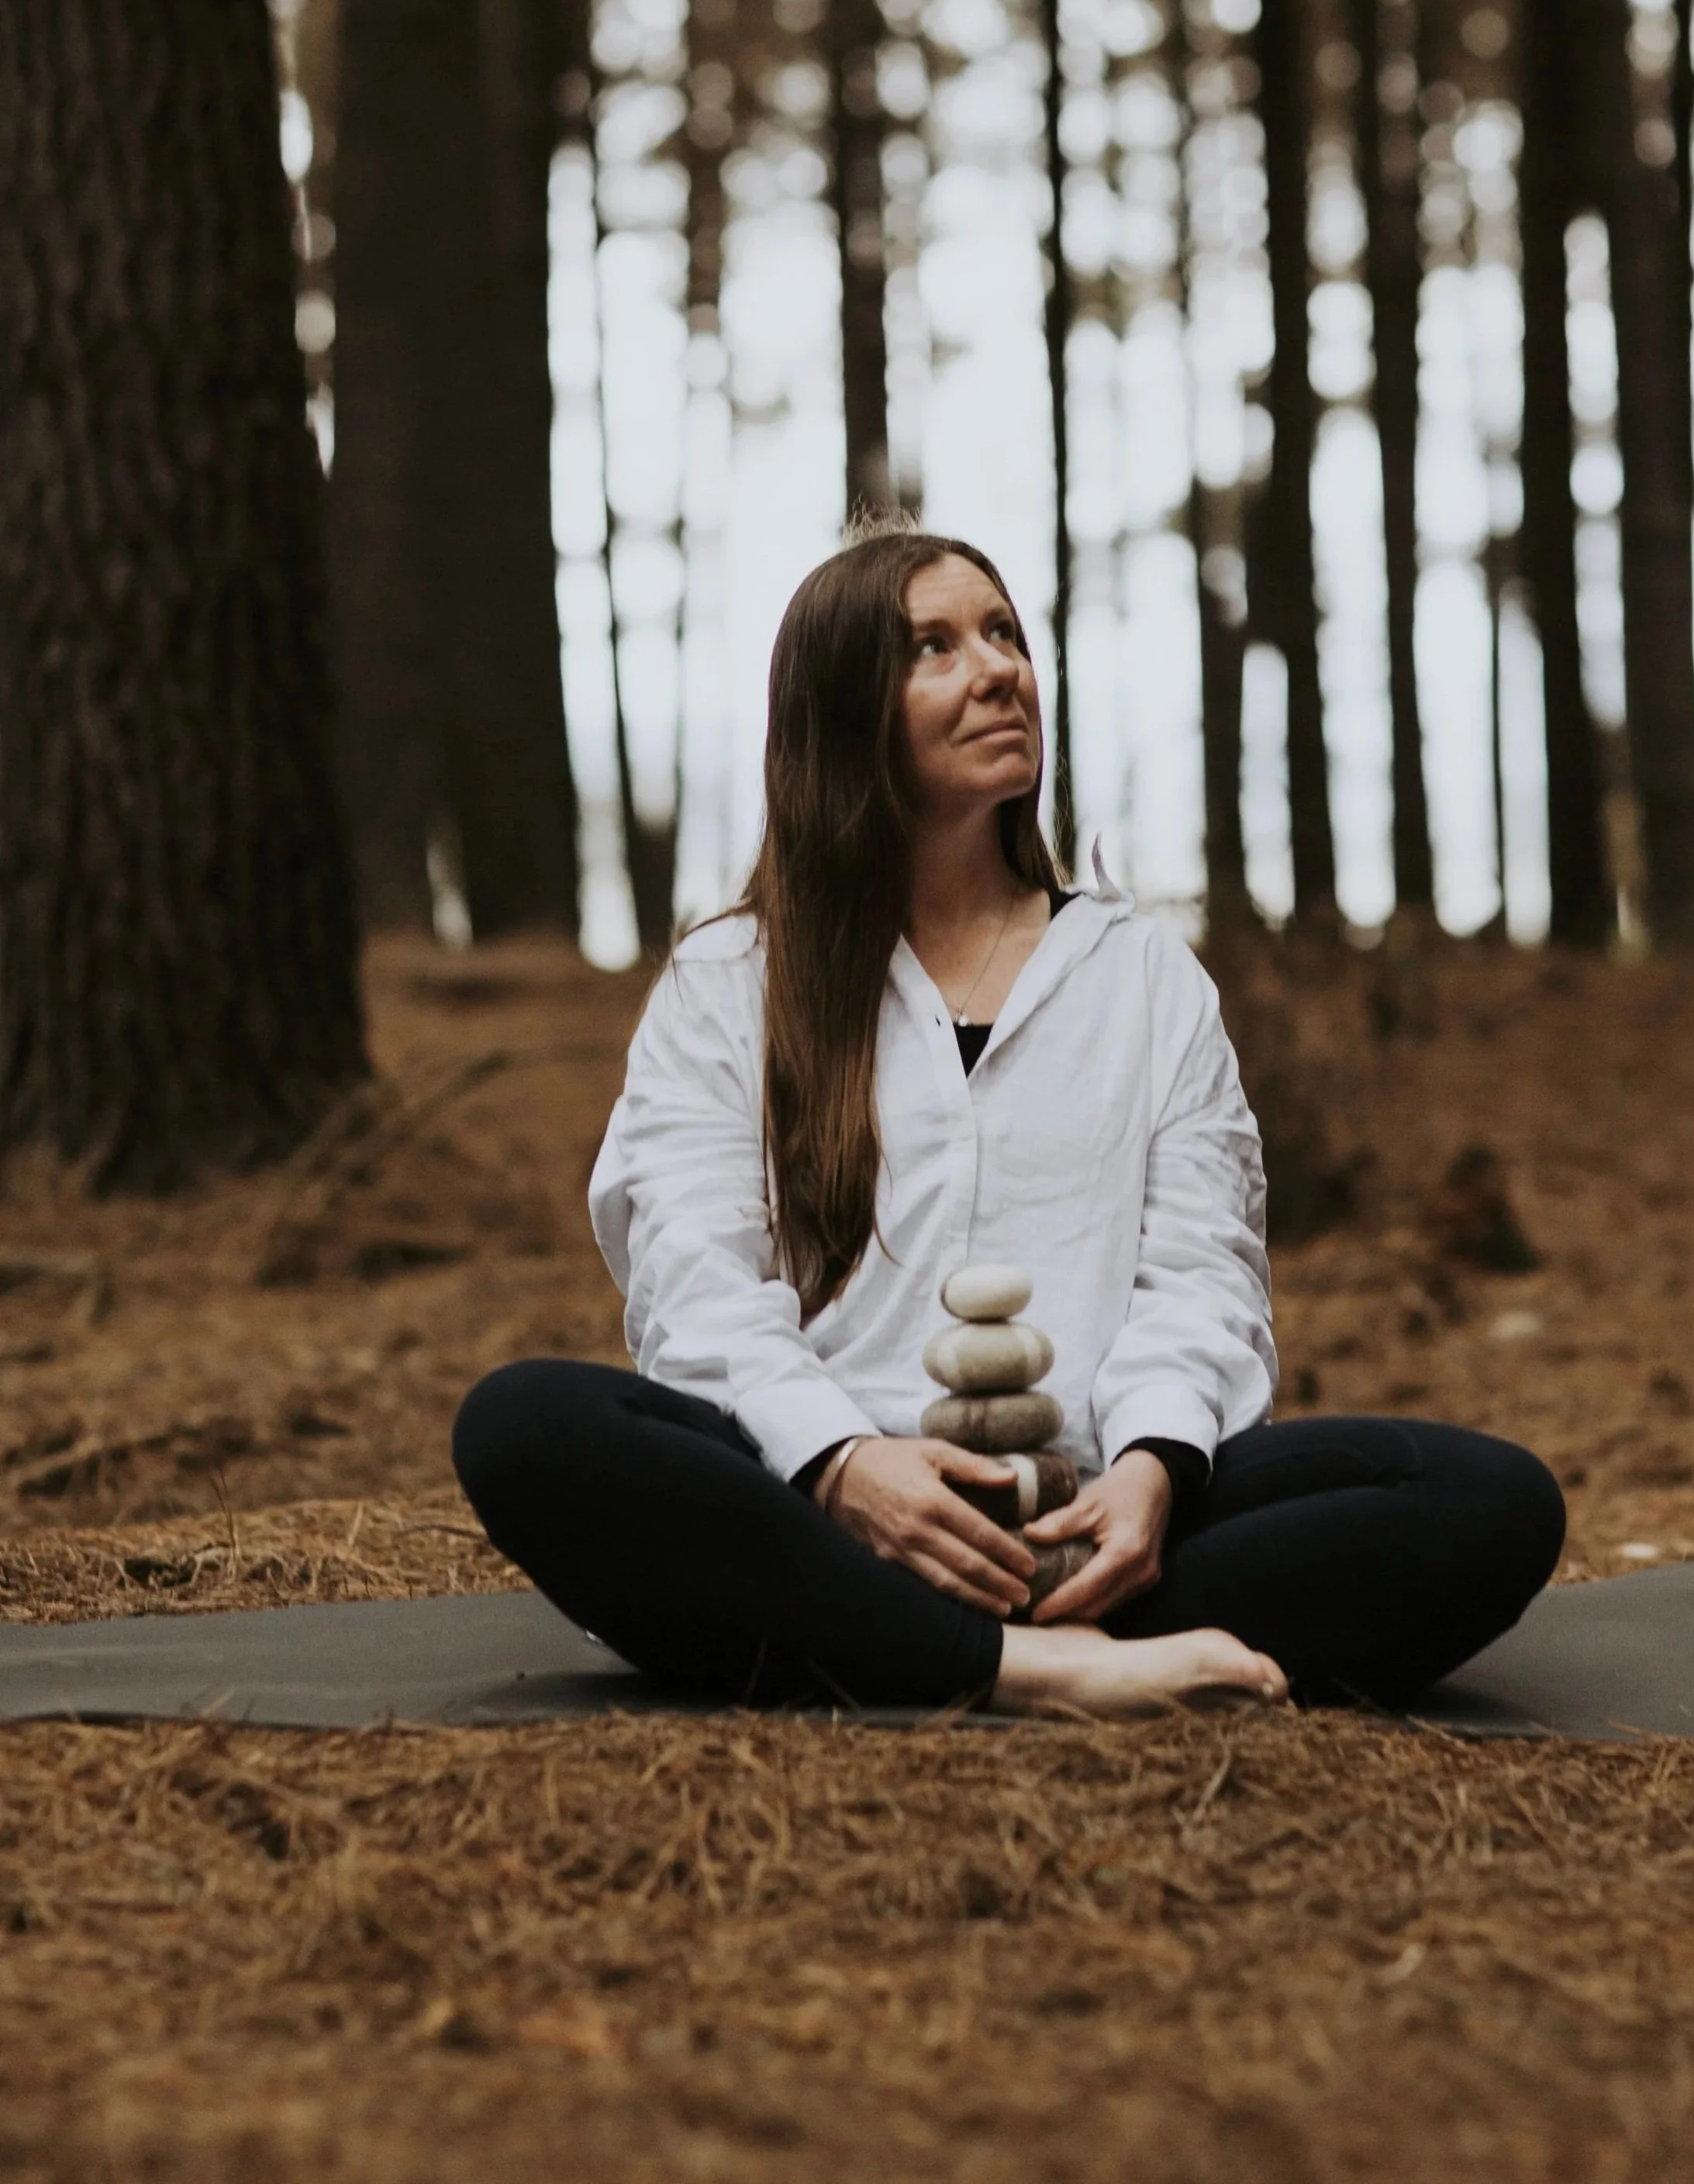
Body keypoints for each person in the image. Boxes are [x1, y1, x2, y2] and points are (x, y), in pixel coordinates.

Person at [454, 530, 1565, 1716]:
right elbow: (692, 1286)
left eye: (1002, 636)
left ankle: (946, 1637)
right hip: (809, 1511)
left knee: (1489, 1500)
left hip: (1082, 1520)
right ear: (841, 715)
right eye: (932, 648)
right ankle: (1034, 1669)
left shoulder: (1140, 975)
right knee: (525, 1425)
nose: (996, 671)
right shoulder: (732, 978)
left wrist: (1151, 1469)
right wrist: (843, 1466)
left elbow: (1201, 1272)